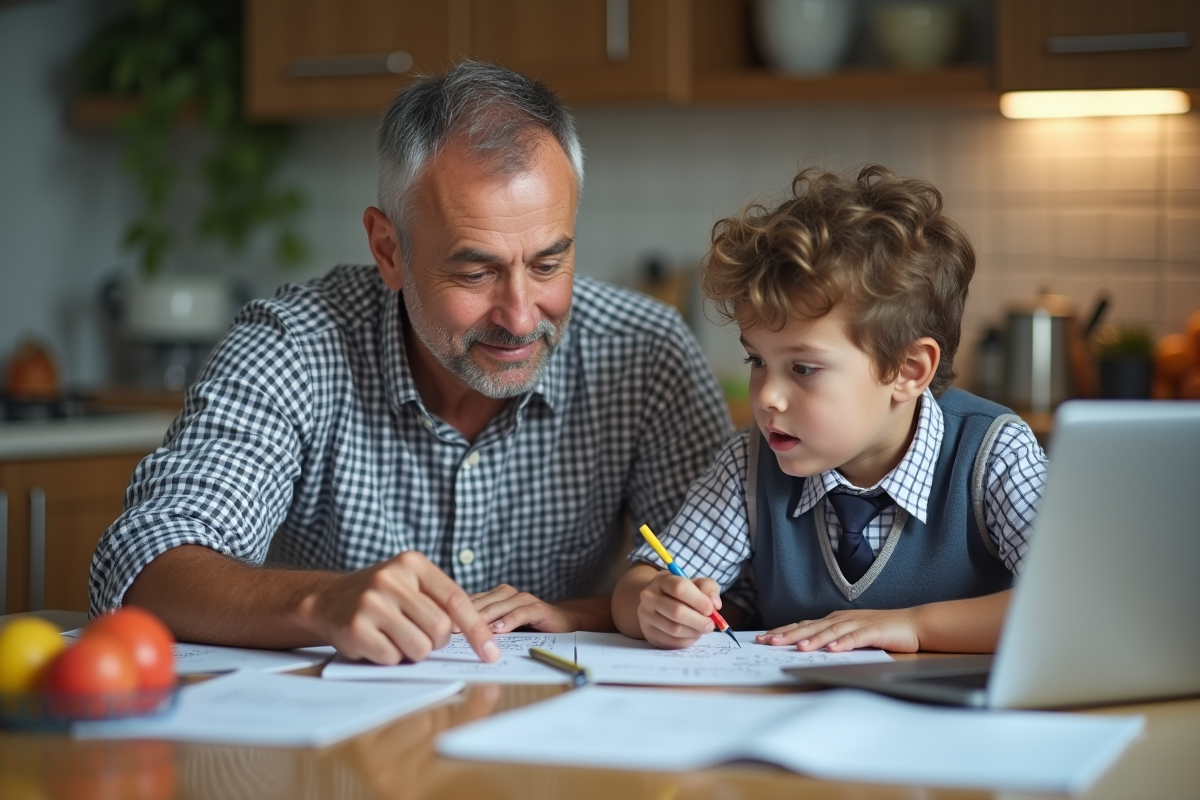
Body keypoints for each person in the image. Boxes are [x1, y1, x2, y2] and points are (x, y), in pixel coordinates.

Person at [90, 62, 732, 665]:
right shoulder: (293, 345)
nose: (519, 316)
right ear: (388, 249)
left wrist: (577, 614)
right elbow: (142, 559)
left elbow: (731, 586)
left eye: (547, 264)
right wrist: (318, 604)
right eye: (475, 271)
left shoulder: (645, 352)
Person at [613, 165, 1048, 654]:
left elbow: (1067, 603)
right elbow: (637, 589)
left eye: (803, 368)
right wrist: (655, 605)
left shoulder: (994, 453)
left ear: (907, 369)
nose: (767, 396)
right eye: (757, 360)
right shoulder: (748, 465)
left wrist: (914, 627)